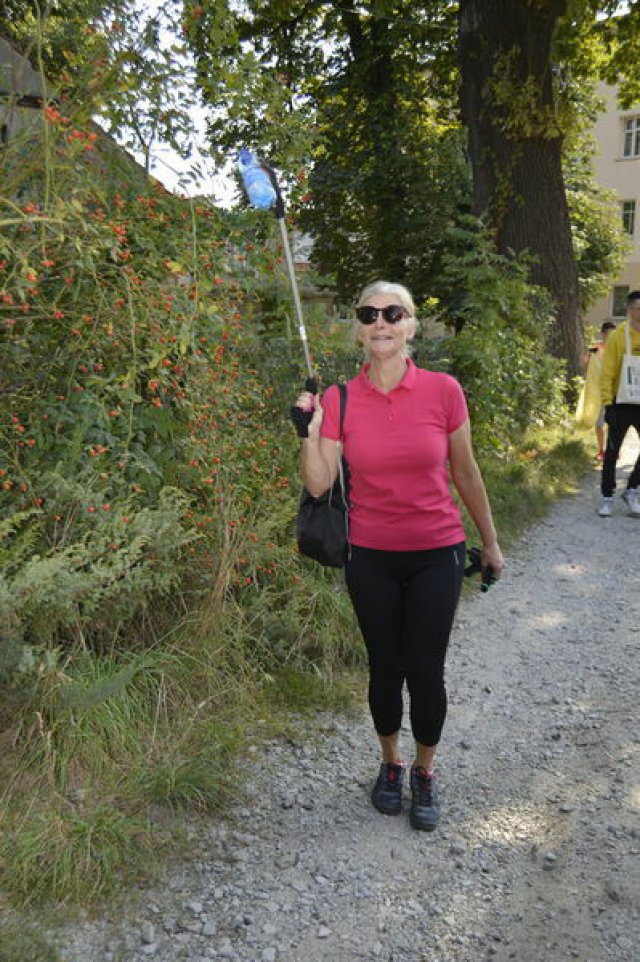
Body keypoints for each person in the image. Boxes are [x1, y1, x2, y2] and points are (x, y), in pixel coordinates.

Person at [291, 280, 504, 831]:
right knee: (385, 668)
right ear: (360, 328)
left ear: (411, 326)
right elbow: (319, 486)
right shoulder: (338, 399)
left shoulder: (444, 391)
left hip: (438, 551)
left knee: (426, 670)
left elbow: (465, 471)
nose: (380, 322)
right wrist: (307, 433)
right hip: (371, 555)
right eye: (369, 313)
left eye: (393, 313)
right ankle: (391, 763)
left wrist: (492, 540)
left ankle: (425, 772)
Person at [598, 290, 640, 518]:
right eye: (637, 308)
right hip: (620, 402)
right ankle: (607, 496)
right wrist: (607, 404)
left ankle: (632, 489)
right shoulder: (618, 337)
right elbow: (608, 371)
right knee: (612, 451)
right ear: (629, 310)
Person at [577, 321, 616, 460]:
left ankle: (613, 451)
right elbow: (586, 366)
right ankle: (601, 450)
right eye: (608, 334)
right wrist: (588, 359)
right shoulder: (594, 349)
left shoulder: (618, 350)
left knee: (613, 423)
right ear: (603, 334)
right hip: (597, 393)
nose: (610, 337)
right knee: (599, 423)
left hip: (612, 392)